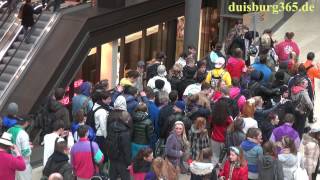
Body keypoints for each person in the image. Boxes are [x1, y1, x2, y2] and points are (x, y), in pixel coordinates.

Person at [107, 107, 132, 180]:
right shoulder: (125, 132)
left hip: (112, 156)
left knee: (112, 177)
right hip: (122, 160)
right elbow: (126, 149)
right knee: (125, 177)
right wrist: (129, 163)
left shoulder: (111, 126)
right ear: (127, 120)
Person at [7, 116, 32, 180]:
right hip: (23, 164)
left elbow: (5, 145)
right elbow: (26, 153)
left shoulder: (9, 130)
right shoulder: (23, 134)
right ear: (26, 123)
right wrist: (30, 147)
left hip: (12, 161)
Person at [210, 98, 233, 167]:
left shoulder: (213, 116)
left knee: (215, 155)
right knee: (224, 157)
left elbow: (210, 126)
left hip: (214, 138)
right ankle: (222, 170)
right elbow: (231, 128)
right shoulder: (228, 118)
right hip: (224, 140)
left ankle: (212, 169)